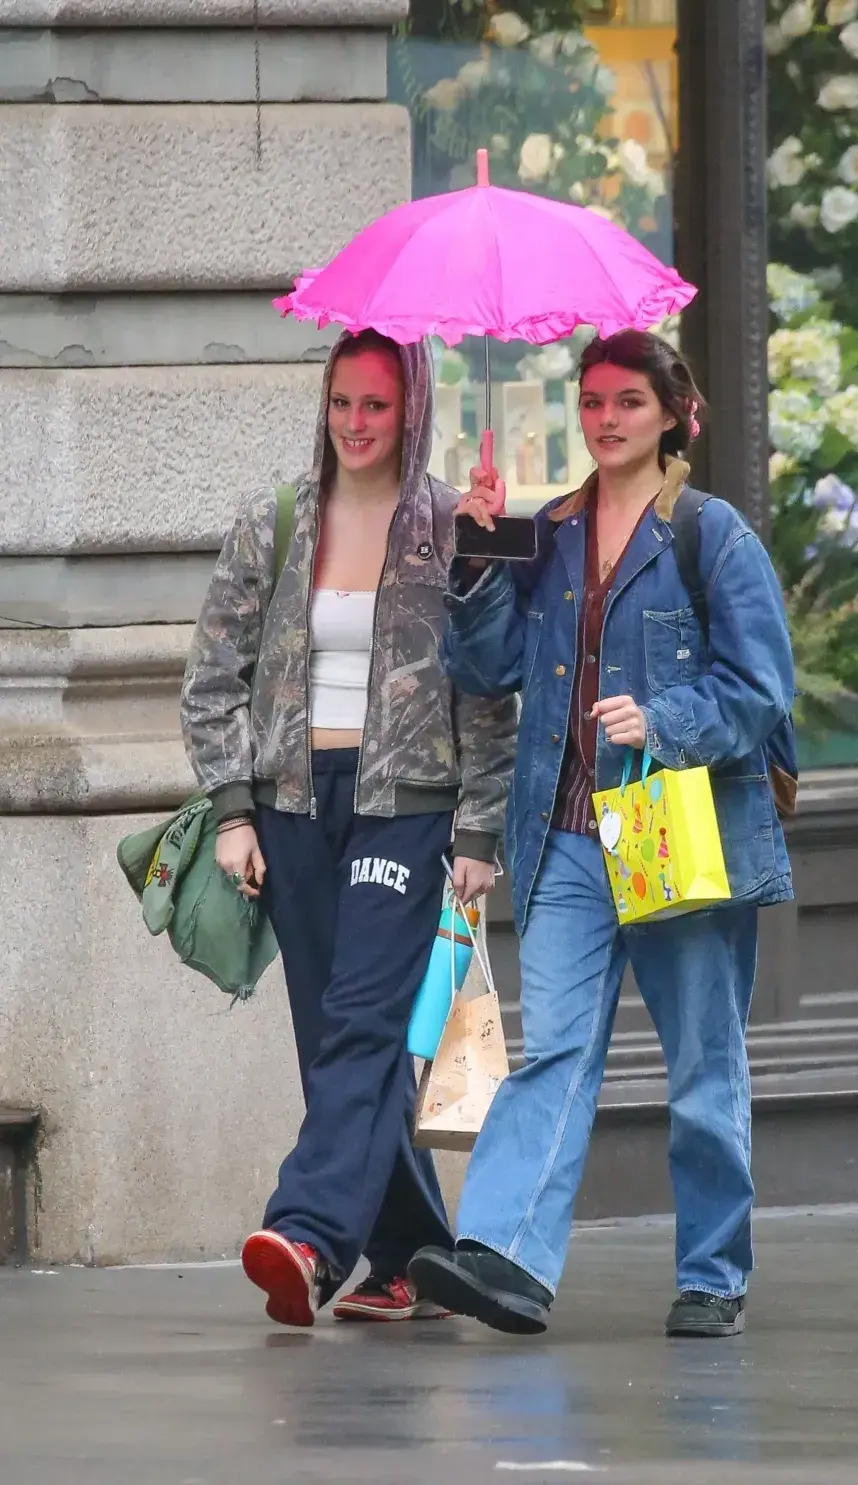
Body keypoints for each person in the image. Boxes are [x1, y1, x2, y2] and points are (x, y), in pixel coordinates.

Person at [409, 330, 795, 1340]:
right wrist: (478, 554)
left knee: (703, 1062)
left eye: (627, 401)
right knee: (556, 1053)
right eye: (591, 402)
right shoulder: (554, 531)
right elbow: (489, 670)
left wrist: (664, 721)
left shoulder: (712, 535)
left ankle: (712, 1272)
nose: (606, 419)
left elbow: (763, 691)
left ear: (671, 413)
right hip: (569, 839)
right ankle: (504, 1259)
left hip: (673, 831)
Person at [180, 329, 516, 1327]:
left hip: (406, 810)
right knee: (334, 1034)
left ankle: (311, 1237)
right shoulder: (274, 521)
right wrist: (234, 812)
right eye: (341, 404)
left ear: (409, 408)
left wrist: (480, 835)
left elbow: (490, 698)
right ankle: (412, 1256)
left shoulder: (451, 527)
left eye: (374, 405)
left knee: (367, 1027)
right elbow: (210, 683)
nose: (355, 424)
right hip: (292, 805)